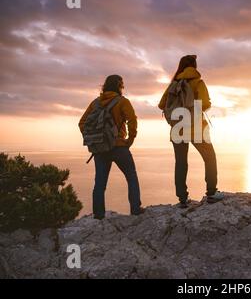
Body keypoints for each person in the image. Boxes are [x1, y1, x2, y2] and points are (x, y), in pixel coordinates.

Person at [159, 55, 224, 208]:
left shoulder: (173, 84)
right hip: (196, 127)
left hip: (178, 128)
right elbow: (205, 104)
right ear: (194, 66)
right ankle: (212, 193)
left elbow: (162, 104)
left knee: (181, 163)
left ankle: (182, 199)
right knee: (209, 157)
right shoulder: (198, 82)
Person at [79, 75, 144, 219]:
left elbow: (82, 123)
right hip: (119, 146)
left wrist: (93, 139)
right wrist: (130, 139)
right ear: (119, 86)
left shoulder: (95, 103)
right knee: (131, 177)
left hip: (100, 149)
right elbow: (132, 120)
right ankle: (135, 209)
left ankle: (98, 215)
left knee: (100, 184)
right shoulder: (122, 102)